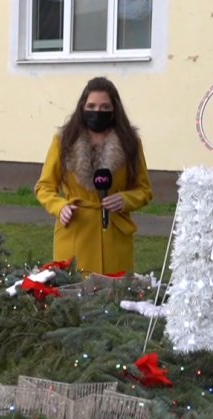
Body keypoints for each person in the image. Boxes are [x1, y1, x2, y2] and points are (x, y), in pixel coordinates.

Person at [34, 77, 153, 275]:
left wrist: (125, 199)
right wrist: (59, 206)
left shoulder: (130, 142)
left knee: (114, 297)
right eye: (92, 106)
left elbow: (144, 190)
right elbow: (44, 186)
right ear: (82, 107)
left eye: (105, 107)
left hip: (115, 236)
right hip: (74, 232)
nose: (98, 112)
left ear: (114, 109)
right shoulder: (63, 141)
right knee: (73, 295)